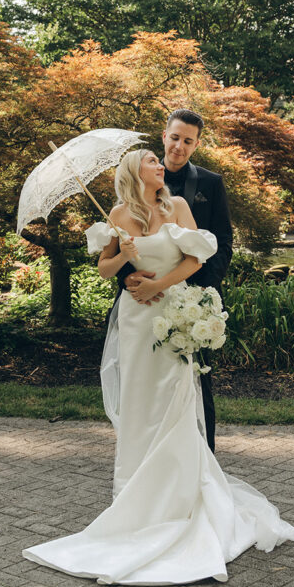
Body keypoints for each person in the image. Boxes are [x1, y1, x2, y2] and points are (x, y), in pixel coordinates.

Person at [22, 148, 294, 586]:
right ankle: (136, 499)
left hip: (170, 312)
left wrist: (157, 282)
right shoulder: (117, 213)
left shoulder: (176, 206)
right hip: (136, 321)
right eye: (152, 160)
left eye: (160, 159)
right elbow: (104, 269)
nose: (161, 165)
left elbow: (195, 259)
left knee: (174, 401)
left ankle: (178, 499)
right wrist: (124, 258)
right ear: (135, 172)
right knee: (139, 404)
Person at [118, 108, 233, 452]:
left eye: (188, 141)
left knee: (197, 382)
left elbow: (222, 242)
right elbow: (122, 238)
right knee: (143, 382)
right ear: (164, 135)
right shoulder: (137, 181)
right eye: (175, 137)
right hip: (143, 301)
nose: (179, 146)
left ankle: (202, 461)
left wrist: (199, 293)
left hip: (190, 299)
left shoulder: (210, 184)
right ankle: (148, 459)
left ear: (196, 145)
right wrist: (129, 278)